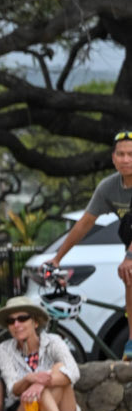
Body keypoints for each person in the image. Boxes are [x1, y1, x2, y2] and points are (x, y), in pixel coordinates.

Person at [47, 129, 132, 354]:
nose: (126, 160)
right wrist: (57, 258)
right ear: (113, 158)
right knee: (129, 278)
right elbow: (84, 223)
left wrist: (130, 257)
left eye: (131, 154)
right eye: (121, 154)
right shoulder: (108, 187)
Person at [0, 295, 81, 411]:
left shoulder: (53, 341)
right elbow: (12, 389)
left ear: (35, 322)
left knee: (60, 368)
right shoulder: (4, 349)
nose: (16, 324)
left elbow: (74, 372)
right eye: (11, 321)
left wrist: (40, 384)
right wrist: (29, 380)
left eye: (22, 318)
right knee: (52, 376)